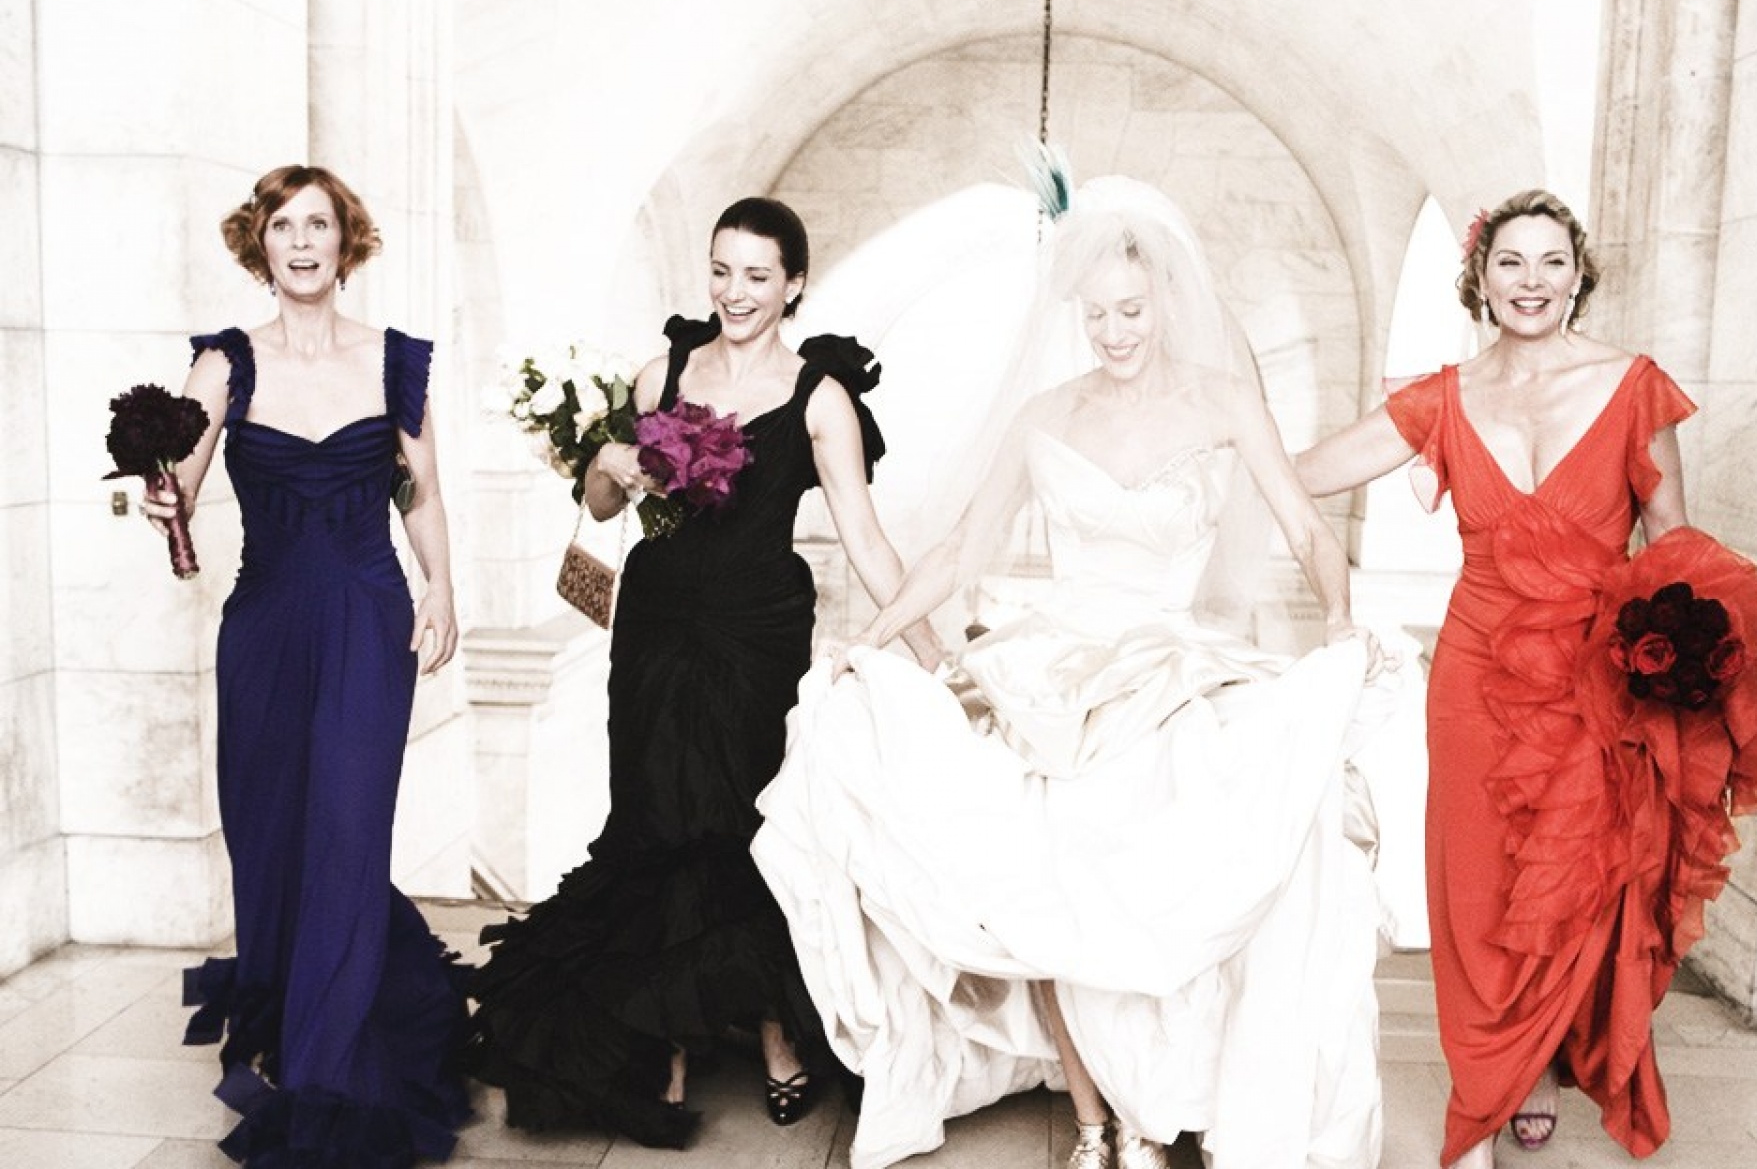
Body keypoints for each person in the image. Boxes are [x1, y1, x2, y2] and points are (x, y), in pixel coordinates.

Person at [751, 176, 1395, 1169]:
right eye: (1094, 314)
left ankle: (1150, 1109)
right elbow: (959, 547)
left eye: (1130, 310)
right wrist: (872, 639)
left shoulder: (1225, 402)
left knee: (1161, 888)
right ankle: (1094, 1122)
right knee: (1043, 892)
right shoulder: (1045, 414)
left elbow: (1308, 528)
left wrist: (1342, 619)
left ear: (1166, 300)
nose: (1113, 332)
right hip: (1055, 678)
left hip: (1172, 669)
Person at [1294, 188, 1757, 1168]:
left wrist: (1681, 663)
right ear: (1480, 280)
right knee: (1478, 883)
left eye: (1551, 262)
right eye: (1510, 262)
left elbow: (1674, 544)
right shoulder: (1440, 397)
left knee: (1577, 883)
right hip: (1475, 675)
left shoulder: (1633, 387)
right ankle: (1491, 1080)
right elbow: (1302, 473)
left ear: (1578, 276)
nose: (1531, 281)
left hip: (1594, 681)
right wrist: (1201, 416)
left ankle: (1540, 1061)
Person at [462, 197, 943, 1147]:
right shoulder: (663, 374)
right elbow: (604, 507)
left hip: (757, 633)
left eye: (758, 275)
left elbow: (867, 539)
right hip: (657, 622)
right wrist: (610, 460)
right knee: (654, 815)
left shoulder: (821, 397)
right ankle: (666, 1035)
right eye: (722, 270)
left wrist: (936, 656)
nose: (735, 291)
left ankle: (772, 1029)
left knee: (744, 821)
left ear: (794, 285)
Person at [143, 164, 470, 1166]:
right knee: (274, 834)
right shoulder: (224, 364)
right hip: (267, 625)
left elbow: (419, 492)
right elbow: (178, 484)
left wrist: (441, 587)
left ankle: (329, 1071)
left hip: (368, 619)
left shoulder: (394, 360)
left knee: (347, 831)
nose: (300, 242)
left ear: (345, 241)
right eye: (282, 226)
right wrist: (161, 498)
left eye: (317, 224)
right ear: (260, 244)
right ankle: (293, 1017)